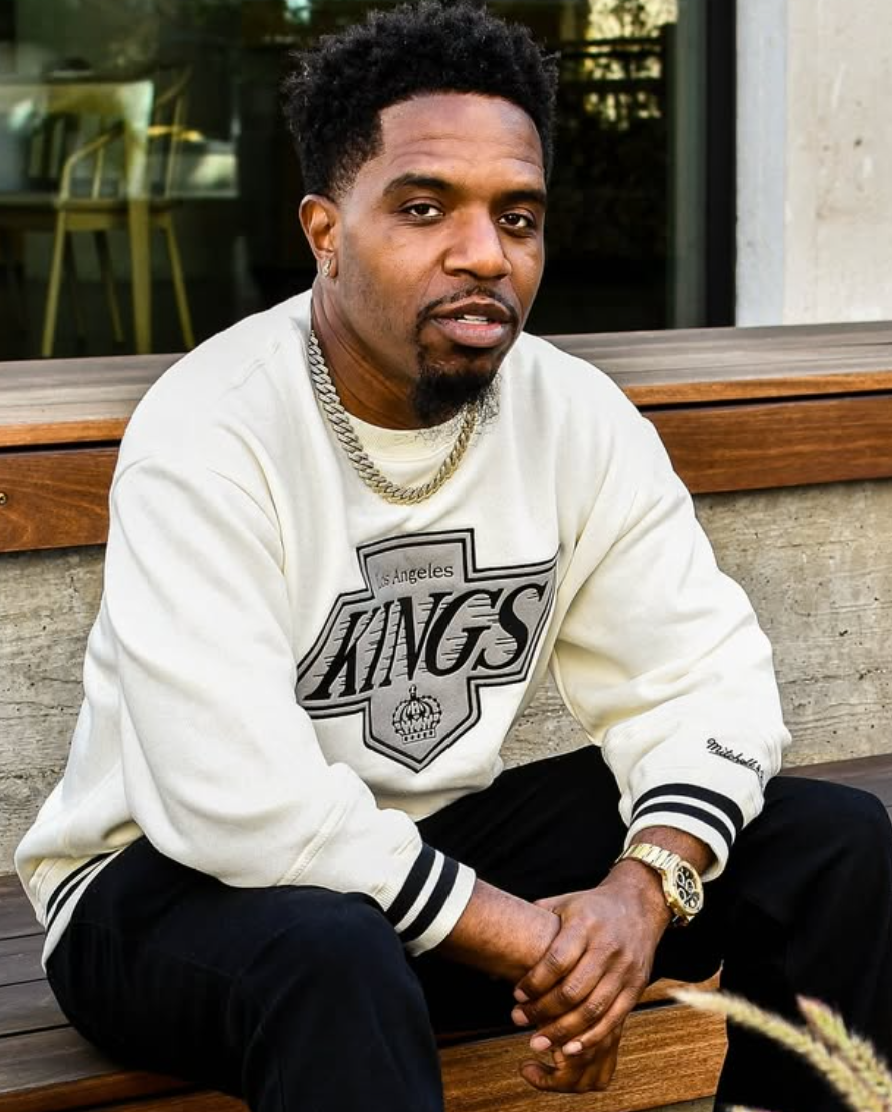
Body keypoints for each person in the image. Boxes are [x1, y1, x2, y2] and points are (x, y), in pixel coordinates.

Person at [16, 3, 892, 1110]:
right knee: (334, 952)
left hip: (416, 857)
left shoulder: (573, 412)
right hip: (162, 887)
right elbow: (235, 799)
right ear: (325, 230)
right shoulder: (211, 427)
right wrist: (524, 935)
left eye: (516, 216)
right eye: (424, 208)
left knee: (834, 845)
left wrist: (638, 893)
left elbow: (702, 677)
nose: (483, 253)